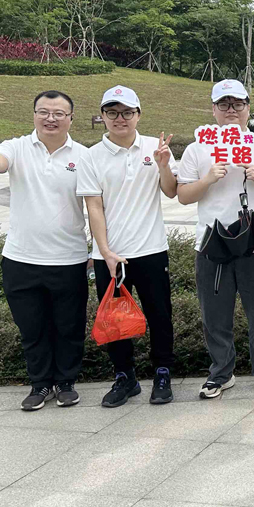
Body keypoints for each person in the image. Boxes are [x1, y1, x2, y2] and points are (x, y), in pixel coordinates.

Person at [177, 79, 254, 399]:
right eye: (224, 105)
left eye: (237, 104)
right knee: (215, 315)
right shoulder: (197, 149)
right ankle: (221, 373)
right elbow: (184, 196)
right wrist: (209, 178)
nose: (231, 111)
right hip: (213, 245)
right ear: (213, 109)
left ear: (247, 108)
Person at [0, 91, 89, 411]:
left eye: (58, 113)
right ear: (34, 116)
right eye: (43, 112)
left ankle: (66, 382)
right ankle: (40, 384)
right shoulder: (16, 147)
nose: (50, 118)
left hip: (69, 258)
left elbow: (96, 205)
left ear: (71, 117)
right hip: (20, 258)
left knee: (69, 327)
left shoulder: (84, 155)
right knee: (32, 328)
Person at [78, 86, 178, 408]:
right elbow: (94, 207)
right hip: (110, 256)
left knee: (160, 315)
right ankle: (125, 377)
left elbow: (171, 191)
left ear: (138, 115)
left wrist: (163, 164)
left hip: (151, 249)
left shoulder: (156, 147)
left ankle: (162, 373)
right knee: (115, 320)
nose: (120, 119)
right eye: (112, 112)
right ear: (103, 116)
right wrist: (104, 251)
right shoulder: (91, 156)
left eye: (127, 112)